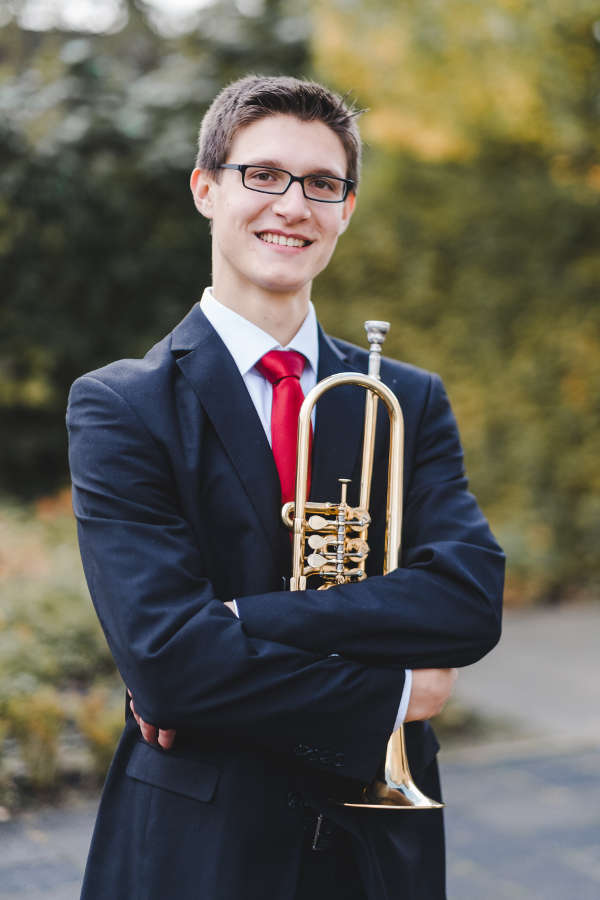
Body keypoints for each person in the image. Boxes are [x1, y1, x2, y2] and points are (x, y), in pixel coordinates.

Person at [67, 75, 504, 900]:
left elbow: (469, 600)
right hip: (201, 844)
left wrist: (242, 620)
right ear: (206, 188)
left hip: (382, 851)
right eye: (262, 175)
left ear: (346, 209)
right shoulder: (121, 403)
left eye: (322, 184)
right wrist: (402, 685)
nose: (292, 206)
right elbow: (169, 666)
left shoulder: (407, 398)